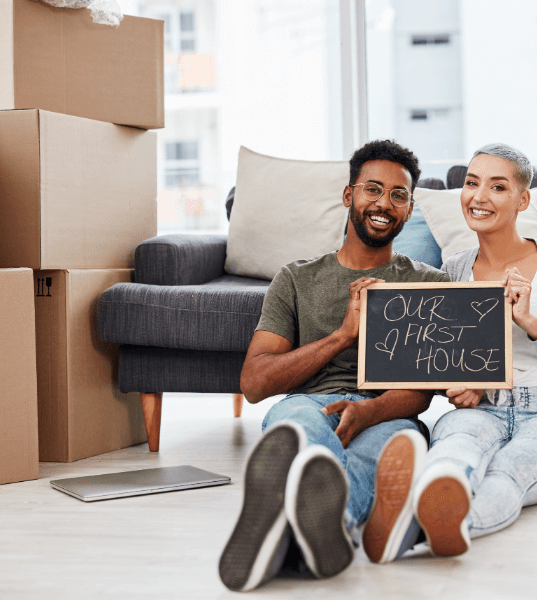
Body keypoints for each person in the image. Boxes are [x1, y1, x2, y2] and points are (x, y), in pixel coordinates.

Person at [218, 140, 449, 592]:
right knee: (298, 431)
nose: (384, 204)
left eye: (398, 195)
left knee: (394, 450)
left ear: (408, 209)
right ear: (349, 196)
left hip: (388, 412)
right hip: (309, 405)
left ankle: (297, 528)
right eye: (373, 190)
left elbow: (423, 392)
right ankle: (324, 530)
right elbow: (255, 382)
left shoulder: (427, 283)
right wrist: (343, 335)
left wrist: (368, 412)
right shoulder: (296, 279)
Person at [367, 143, 537, 563]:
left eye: (497, 187)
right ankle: (422, 512)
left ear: (522, 200)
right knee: (453, 454)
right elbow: (446, 360)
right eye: (471, 183)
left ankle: (415, 529)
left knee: (508, 471)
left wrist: (530, 323)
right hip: (482, 408)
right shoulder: (455, 269)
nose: (479, 197)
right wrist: (457, 386)